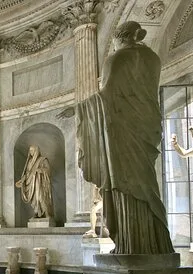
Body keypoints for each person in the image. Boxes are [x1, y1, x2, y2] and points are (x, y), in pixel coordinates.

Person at [58, 21, 174, 255]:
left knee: (125, 183)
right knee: (146, 183)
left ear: (119, 38)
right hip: (146, 127)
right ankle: (155, 243)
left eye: (113, 42)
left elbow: (106, 97)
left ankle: (131, 246)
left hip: (123, 133)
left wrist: (78, 109)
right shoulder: (152, 58)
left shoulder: (118, 58)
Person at [15, 145, 54, 219]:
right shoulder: (29, 162)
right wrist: (22, 180)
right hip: (31, 183)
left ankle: (46, 213)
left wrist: (40, 170)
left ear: (37, 151)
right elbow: (27, 173)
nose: (31, 152)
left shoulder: (43, 160)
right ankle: (37, 213)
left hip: (40, 183)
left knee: (41, 197)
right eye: (30, 151)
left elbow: (48, 170)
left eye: (32, 150)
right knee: (34, 200)